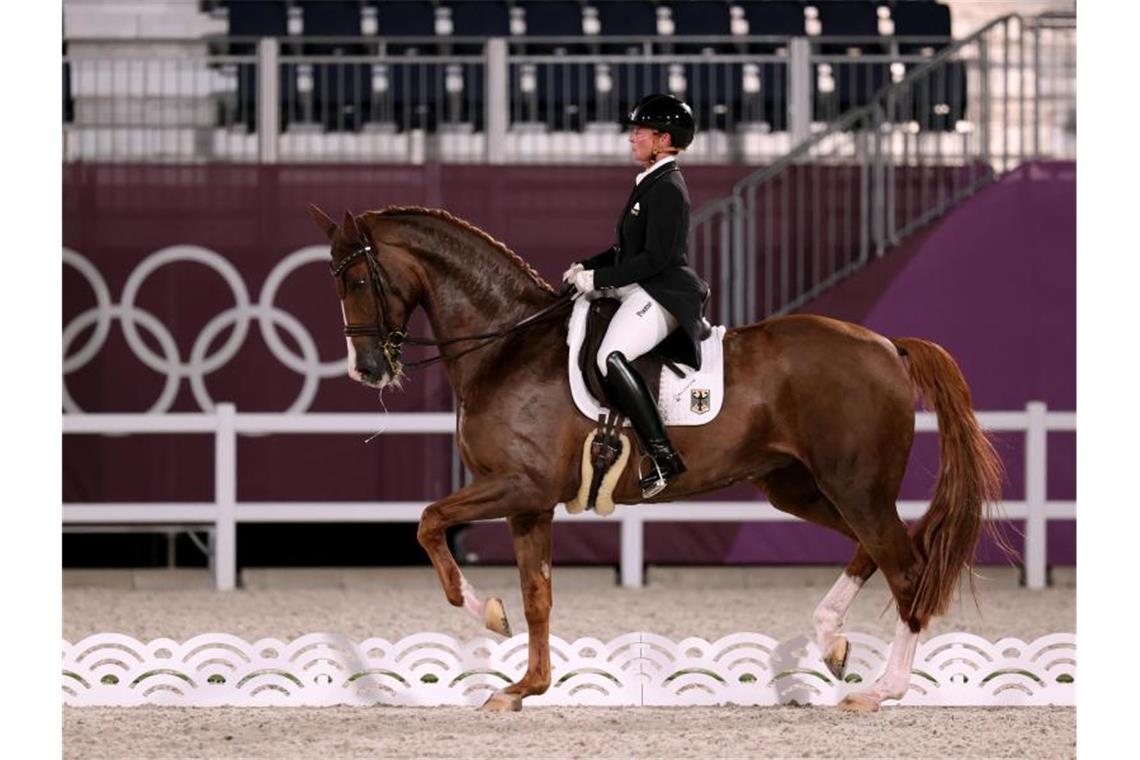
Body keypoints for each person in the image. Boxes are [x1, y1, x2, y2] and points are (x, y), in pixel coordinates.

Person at [561, 93, 710, 499]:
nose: (633, 138)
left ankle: (662, 455)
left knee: (610, 356)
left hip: (663, 291)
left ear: (663, 139)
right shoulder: (651, 182)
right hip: (646, 284)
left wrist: (600, 279)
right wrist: (586, 268)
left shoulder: (667, 187)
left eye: (640, 131)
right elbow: (626, 251)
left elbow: (656, 259)